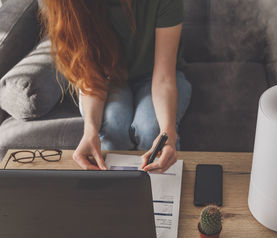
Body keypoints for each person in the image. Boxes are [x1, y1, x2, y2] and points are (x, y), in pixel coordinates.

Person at [40, 0, 192, 173]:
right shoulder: (71, 5)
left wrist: (168, 134)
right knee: (113, 125)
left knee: (152, 129)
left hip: (159, 74)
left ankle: (164, 193)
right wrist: (90, 129)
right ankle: (110, 195)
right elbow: (91, 79)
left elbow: (164, 78)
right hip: (108, 78)